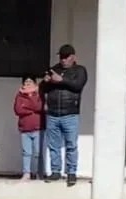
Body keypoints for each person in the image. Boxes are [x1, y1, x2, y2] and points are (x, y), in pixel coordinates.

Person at [40, 44, 88, 187]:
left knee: (71, 145)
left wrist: (61, 80)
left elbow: (78, 85)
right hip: (53, 113)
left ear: (73, 57)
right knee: (53, 145)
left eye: (66, 57)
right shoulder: (54, 69)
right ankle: (55, 171)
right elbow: (43, 89)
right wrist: (45, 82)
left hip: (70, 114)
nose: (63, 60)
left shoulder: (79, 70)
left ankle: (71, 172)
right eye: (61, 57)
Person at [13, 74, 44, 181]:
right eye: (26, 82)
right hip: (24, 128)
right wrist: (31, 110)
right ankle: (26, 173)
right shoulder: (19, 95)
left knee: (38, 153)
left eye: (30, 82)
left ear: (35, 83)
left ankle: (39, 173)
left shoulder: (38, 93)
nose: (28, 84)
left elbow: (38, 106)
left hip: (37, 128)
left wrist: (27, 104)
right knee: (26, 152)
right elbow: (18, 110)